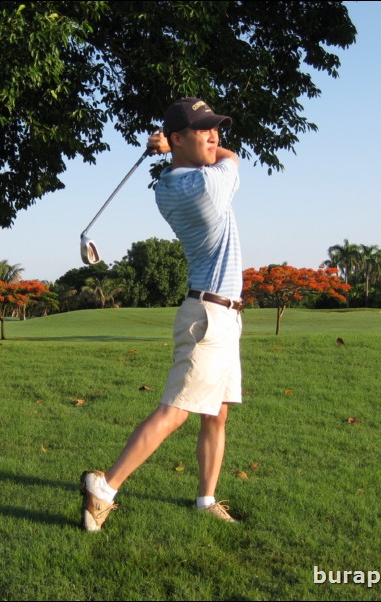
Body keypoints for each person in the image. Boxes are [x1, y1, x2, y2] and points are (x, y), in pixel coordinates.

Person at [80, 97, 244, 532]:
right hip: (209, 316)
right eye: (203, 129)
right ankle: (105, 488)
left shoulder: (168, 183)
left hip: (223, 315)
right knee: (175, 412)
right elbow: (233, 158)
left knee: (217, 412)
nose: (215, 136)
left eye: (215, 127)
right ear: (177, 137)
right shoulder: (206, 186)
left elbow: (206, 155)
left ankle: (205, 499)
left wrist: (167, 150)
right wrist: (168, 148)